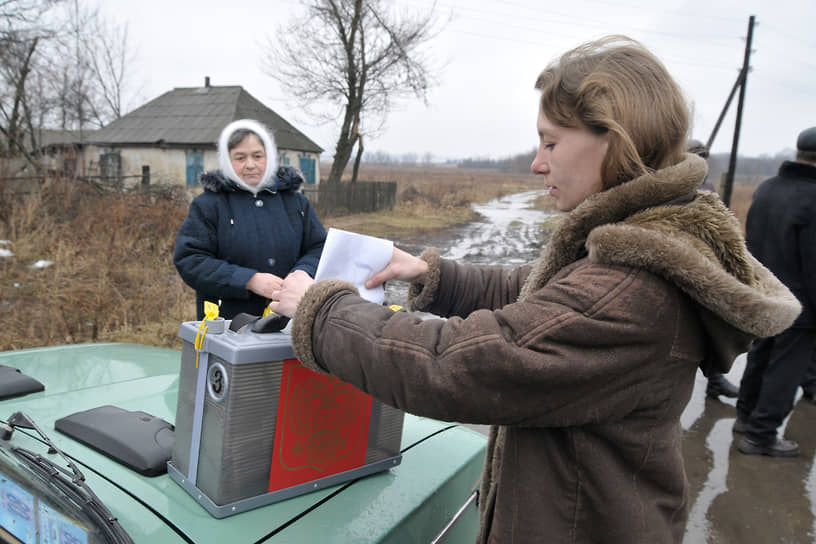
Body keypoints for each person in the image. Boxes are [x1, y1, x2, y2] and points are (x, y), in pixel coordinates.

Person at [269, 36, 800, 542]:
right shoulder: (640, 243)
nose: (537, 161)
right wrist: (431, 275)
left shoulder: (631, 292)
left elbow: (453, 365)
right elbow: (536, 294)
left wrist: (322, 311)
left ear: (614, 140)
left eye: (551, 141)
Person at [174, 119, 326, 320]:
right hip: (227, 324)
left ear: (269, 156)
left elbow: (319, 247)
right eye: (240, 157)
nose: (250, 165)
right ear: (227, 161)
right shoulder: (208, 205)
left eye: (257, 156)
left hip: (291, 321)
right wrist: (249, 280)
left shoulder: (296, 203)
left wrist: (302, 273)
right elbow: (191, 260)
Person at [734, 126, 816, 457]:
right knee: (786, 369)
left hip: (763, 295)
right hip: (800, 306)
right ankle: (762, 435)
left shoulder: (767, 189)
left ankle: (745, 417)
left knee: (760, 357)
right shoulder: (813, 198)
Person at [686, 138, 741, 399]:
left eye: (704, 157)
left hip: (707, 265)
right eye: (698, 156)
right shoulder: (681, 186)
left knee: (710, 328)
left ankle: (715, 381)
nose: (702, 161)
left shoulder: (705, 185)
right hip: (689, 267)